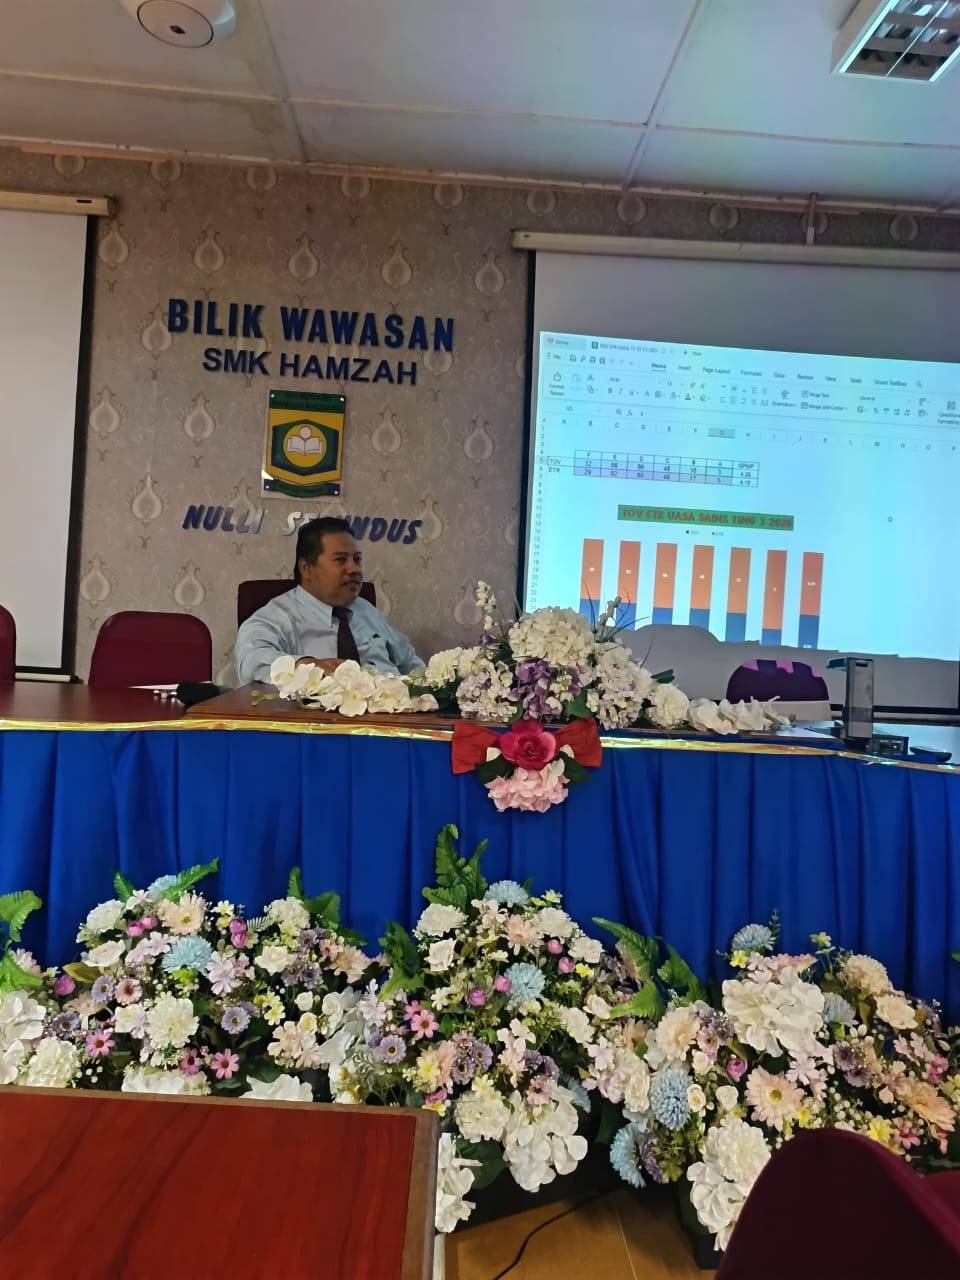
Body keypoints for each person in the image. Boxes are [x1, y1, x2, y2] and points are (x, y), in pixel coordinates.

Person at [235, 517, 423, 684]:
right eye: (340, 560)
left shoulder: (367, 610)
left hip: (395, 707)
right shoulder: (277, 617)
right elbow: (251, 660)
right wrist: (304, 665)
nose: (354, 569)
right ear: (306, 568)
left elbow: (410, 663)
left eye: (357, 559)